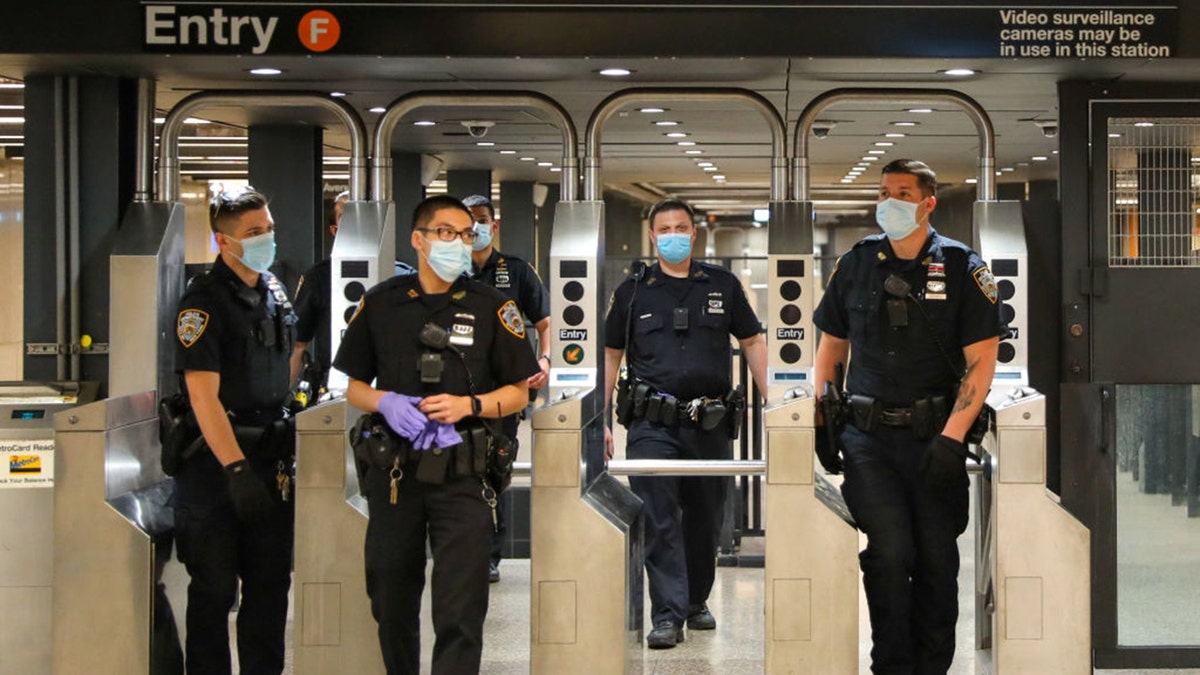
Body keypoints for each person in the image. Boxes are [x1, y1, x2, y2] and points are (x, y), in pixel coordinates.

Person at [812, 159, 1004, 674]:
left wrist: (952, 438)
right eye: (884, 193)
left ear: (927, 203)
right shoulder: (855, 264)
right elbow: (832, 346)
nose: (889, 202)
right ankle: (891, 667)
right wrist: (824, 417)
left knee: (937, 561)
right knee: (891, 555)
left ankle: (932, 667)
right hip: (869, 440)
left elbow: (982, 359)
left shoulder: (964, 267)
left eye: (901, 193)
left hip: (936, 437)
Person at [333, 195, 539, 674]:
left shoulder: (494, 306)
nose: (459, 242)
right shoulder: (383, 303)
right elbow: (354, 386)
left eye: (466, 234)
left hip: (463, 474)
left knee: (461, 604)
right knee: (390, 593)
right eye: (446, 232)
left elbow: (518, 393)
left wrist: (469, 405)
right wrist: (385, 401)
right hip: (396, 474)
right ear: (418, 240)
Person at [602, 198, 768, 649]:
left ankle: (695, 601)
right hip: (652, 423)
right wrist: (598, 417)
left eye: (681, 227)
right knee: (659, 517)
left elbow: (752, 341)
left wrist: (774, 403)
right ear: (652, 236)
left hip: (709, 422)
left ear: (693, 234)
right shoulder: (633, 290)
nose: (673, 235)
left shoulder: (722, 284)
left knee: (705, 517)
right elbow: (611, 353)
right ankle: (667, 614)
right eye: (664, 229)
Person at [173, 186, 297, 674]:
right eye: (253, 233)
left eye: (268, 228)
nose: (266, 238)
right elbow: (203, 396)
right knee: (215, 590)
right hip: (215, 468)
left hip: (269, 460)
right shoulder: (203, 303)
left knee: (269, 588)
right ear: (223, 242)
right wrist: (236, 468)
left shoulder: (273, 290)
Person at [461, 194, 551, 583]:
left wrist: (545, 360)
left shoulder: (515, 270)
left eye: (482, 220)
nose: (475, 228)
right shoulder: (449, 270)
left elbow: (546, 322)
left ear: (493, 226)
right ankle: (462, 547)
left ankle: (491, 553)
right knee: (459, 467)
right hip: (458, 389)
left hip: (505, 391)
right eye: (468, 223)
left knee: (496, 466)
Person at [292, 190, 416, 398]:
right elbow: (298, 344)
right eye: (348, 218)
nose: (358, 224)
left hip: (392, 389)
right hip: (334, 389)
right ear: (334, 230)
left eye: (367, 217)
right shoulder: (318, 278)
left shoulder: (404, 277)